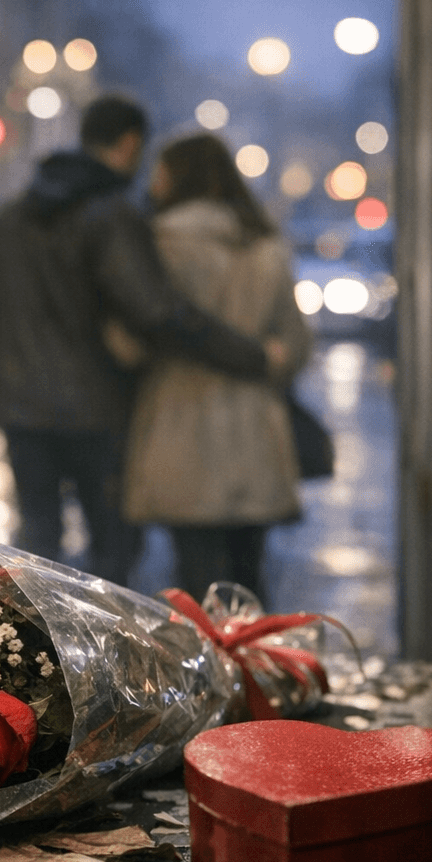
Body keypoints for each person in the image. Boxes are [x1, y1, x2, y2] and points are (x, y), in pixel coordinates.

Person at [0, 94, 280, 586]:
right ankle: (97, 658)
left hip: (20, 406)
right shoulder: (111, 215)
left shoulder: (10, 218)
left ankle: (36, 654)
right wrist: (247, 353)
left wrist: (12, 371)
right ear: (130, 143)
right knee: (112, 554)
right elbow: (155, 311)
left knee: (36, 544)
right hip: (99, 408)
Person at [120, 132, 311, 606]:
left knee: (195, 583)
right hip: (256, 434)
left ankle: (210, 678)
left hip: (180, 429)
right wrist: (268, 357)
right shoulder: (266, 246)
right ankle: (258, 674)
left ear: (176, 176)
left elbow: (128, 341)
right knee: (250, 581)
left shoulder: (157, 241)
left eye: (160, 170)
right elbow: (298, 344)